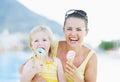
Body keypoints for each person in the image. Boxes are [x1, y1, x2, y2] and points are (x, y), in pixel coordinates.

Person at [56, 9, 97, 82]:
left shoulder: (91, 57)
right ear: (63, 30)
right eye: (69, 29)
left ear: (86, 32)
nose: (73, 34)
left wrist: (78, 79)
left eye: (78, 29)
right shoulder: (52, 47)